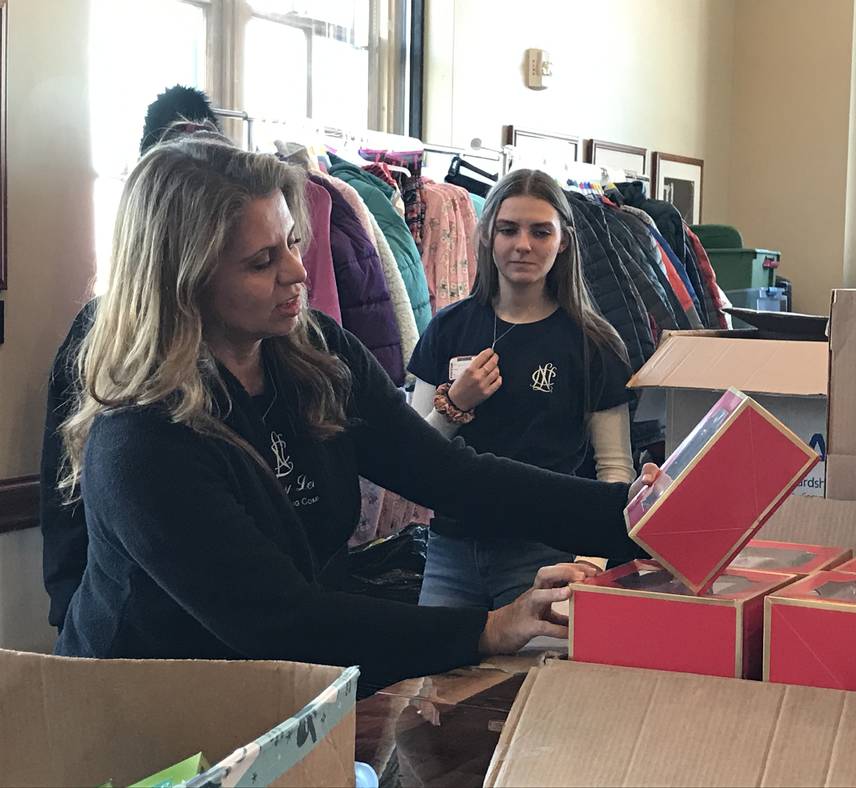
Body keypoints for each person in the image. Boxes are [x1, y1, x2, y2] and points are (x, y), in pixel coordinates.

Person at [52, 136, 656, 690]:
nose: (296, 271)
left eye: (292, 241)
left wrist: (640, 518)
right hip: (145, 713)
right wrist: (489, 627)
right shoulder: (142, 437)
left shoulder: (316, 354)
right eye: (261, 262)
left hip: (286, 692)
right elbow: (280, 620)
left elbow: (452, 476)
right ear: (184, 279)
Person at [40, 85, 225, 630]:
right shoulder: (99, 330)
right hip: (123, 621)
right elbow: (64, 474)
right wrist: (67, 604)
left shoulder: (251, 332)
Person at [408, 169, 636, 608]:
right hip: (450, 551)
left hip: (546, 555)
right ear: (488, 236)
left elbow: (614, 469)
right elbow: (412, 456)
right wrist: (454, 406)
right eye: (508, 230)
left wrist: (592, 561)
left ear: (563, 240)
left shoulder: (595, 343)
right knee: (436, 677)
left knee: (531, 678)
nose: (523, 245)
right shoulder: (447, 329)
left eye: (540, 231)